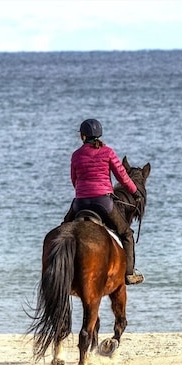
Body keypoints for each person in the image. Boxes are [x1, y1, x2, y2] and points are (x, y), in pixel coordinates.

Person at [63, 118, 144, 285]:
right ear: (99, 135)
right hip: (103, 203)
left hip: (80, 202)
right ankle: (129, 274)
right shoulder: (107, 152)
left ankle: (60, 267)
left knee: (63, 230)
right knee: (127, 234)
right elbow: (122, 176)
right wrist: (135, 192)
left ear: (82, 136)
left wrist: (83, 192)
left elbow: (74, 180)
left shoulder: (76, 155)